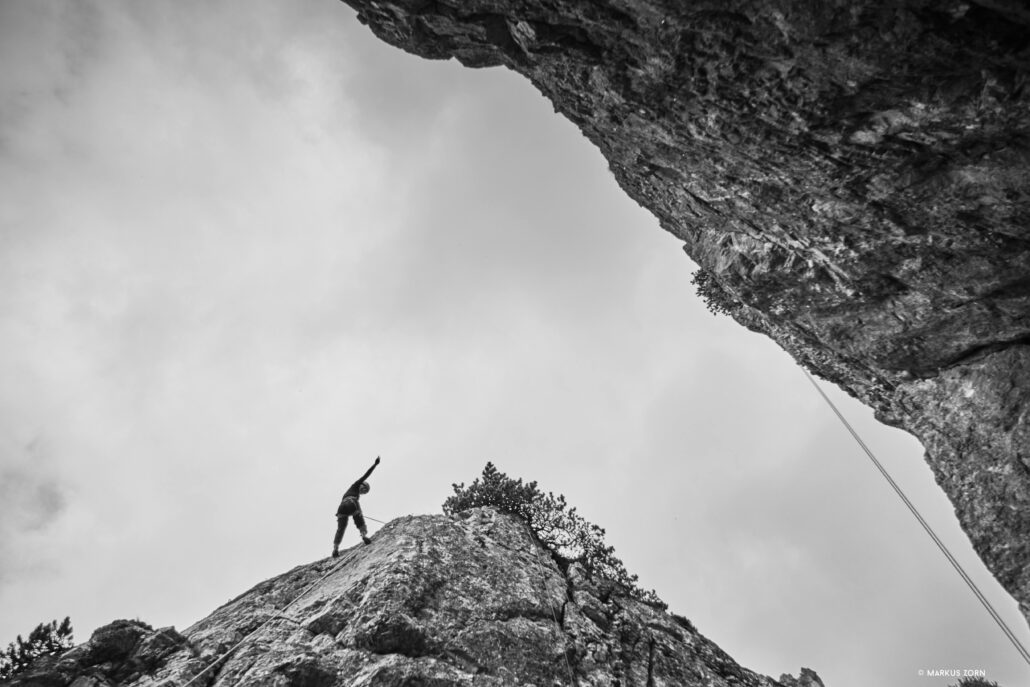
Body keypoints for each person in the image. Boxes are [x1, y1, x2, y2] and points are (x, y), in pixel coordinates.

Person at [332, 455, 380, 557]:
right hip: (350, 503)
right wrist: (375, 465)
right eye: (364, 489)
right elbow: (366, 475)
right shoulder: (356, 485)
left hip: (341, 508)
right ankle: (364, 535)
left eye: (365, 492)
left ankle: (335, 548)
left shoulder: (354, 492)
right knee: (358, 516)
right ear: (361, 485)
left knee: (341, 528)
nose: (363, 491)